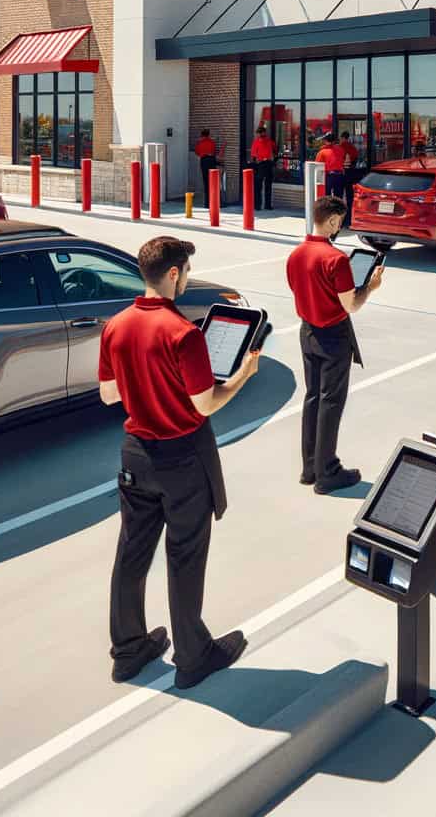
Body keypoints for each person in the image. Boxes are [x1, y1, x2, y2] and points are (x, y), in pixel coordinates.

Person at [99, 236, 260, 688]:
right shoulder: (184, 334)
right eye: (186, 270)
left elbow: (109, 394)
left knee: (132, 552)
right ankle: (193, 656)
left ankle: (128, 651)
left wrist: (143, 387)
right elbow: (206, 404)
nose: (187, 277)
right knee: (184, 556)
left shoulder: (117, 324)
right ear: (173, 274)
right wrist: (244, 374)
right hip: (182, 456)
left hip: (135, 453)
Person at [286, 195, 383, 493]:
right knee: (331, 401)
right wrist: (370, 286)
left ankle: (310, 467)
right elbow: (351, 304)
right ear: (331, 221)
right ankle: (328, 472)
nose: (339, 227)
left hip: (308, 332)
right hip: (333, 335)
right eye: (339, 222)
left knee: (313, 397)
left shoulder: (296, 254)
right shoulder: (336, 259)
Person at [315, 137, 347, 217]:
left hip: (329, 175)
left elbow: (317, 165)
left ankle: (327, 214)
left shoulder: (322, 152)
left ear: (325, 141)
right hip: (340, 175)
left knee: (327, 196)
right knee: (338, 196)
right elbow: (343, 159)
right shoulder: (341, 150)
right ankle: (339, 214)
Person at [248, 125, 276, 210]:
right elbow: (253, 155)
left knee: (267, 185)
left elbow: (274, 150)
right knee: (258, 186)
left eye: (261, 133)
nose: (260, 134)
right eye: (259, 133)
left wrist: (272, 159)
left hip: (267, 163)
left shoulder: (269, 141)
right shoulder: (256, 142)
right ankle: (258, 205)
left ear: (264, 133)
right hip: (260, 164)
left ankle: (267, 205)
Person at [194, 129, 219, 201]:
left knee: (205, 180)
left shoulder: (199, 143)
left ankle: (207, 201)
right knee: (212, 180)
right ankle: (214, 199)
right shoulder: (212, 142)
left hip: (204, 161)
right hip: (211, 160)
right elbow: (214, 151)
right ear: (208, 135)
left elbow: (197, 152)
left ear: (202, 135)